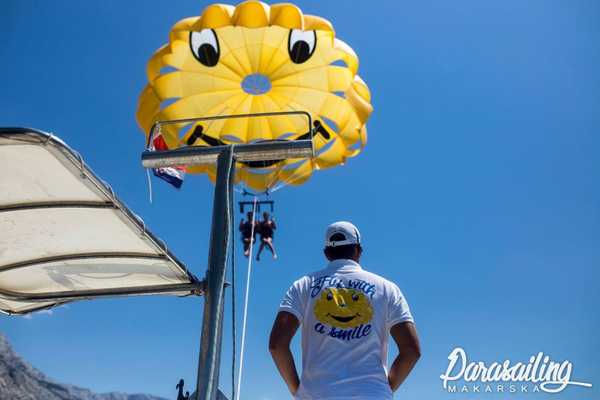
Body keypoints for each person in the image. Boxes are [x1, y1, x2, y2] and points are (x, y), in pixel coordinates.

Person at [269, 221, 420, 399]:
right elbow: (411, 350)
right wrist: (384, 389)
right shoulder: (387, 288)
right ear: (358, 250)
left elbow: (277, 345)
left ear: (326, 253)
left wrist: (297, 390)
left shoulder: (303, 285)